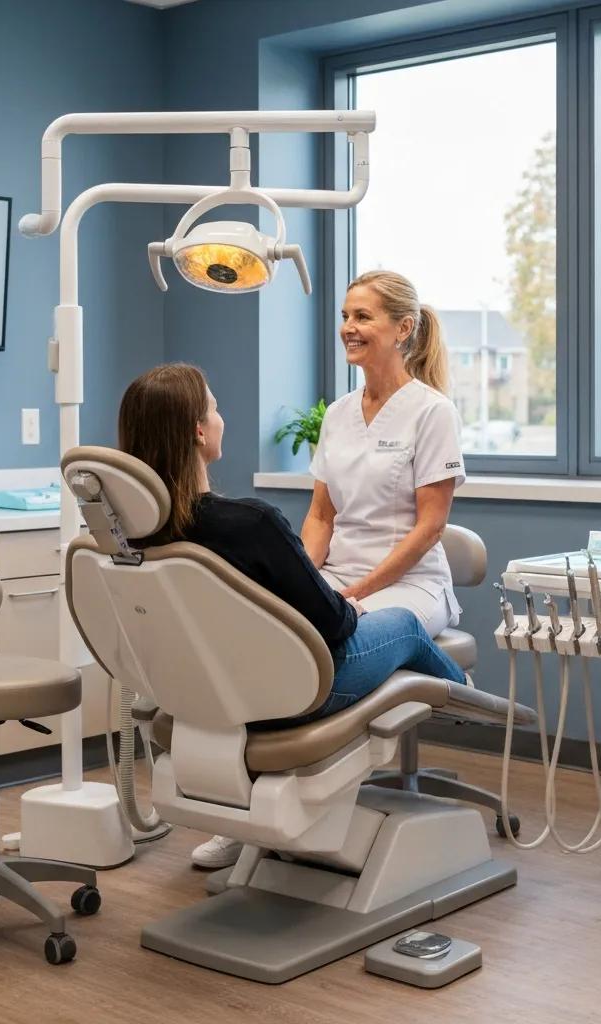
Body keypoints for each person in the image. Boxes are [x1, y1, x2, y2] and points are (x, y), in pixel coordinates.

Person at [117, 362, 466, 869]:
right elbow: (337, 628)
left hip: (213, 692)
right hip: (301, 691)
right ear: (197, 430)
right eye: (214, 407)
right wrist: (338, 599)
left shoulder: (138, 538)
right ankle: (463, 697)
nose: (221, 416)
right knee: (407, 626)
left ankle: (245, 829)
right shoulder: (252, 524)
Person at [303, 270, 466, 638]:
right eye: (345, 317)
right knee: (271, 628)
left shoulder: (432, 412)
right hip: (337, 577)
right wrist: (305, 582)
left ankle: (449, 685)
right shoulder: (338, 413)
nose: (348, 327)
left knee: (343, 639)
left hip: (410, 586)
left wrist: (355, 595)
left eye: (362, 316)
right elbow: (321, 516)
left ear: (403, 328)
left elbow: (430, 528)